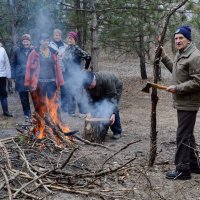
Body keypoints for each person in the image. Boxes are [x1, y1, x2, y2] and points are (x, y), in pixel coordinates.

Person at [160, 25, 200, 180]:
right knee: (187, 134)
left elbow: (198, 81)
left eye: (181, 38)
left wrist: (177, 88)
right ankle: (194, 164)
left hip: (189, 102)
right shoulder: (181, 54)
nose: (178, 40)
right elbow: (177, 72)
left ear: (188, 39)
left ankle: (183, 170)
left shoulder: (195, 56)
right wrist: (164, 57)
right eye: (176, 38)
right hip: (182, 101)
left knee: (182, 136)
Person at [24, 33, 64, 118]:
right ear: (40, 41)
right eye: (44, 40)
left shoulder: (53, 52)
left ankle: (58, 122)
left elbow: (57, 68)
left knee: (53, 102)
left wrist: (61, 81)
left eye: (47, 40)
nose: (46, 42)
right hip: (40, 82)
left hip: (52, 81)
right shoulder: (34, 53)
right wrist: (27, 82)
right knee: (41, 103)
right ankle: (41, 122)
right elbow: (28, 68)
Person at [84, 71, 123, 139]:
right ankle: (101, 130)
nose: (89, 87)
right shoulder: (88, 85)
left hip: (115, 88)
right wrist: (89, 111)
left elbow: (113, 98)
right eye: (88, 86)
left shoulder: (106, 80)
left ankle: (117, 131)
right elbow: (89, 99)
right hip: (100, 90)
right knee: (97, 107)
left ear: (94, 79)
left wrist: (113, 113)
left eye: (90, 85)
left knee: (110, 108)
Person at [62, 31, 91, 116]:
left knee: (79, 92)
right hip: (68, 75)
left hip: (76, 74)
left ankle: (82, 112)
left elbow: (88, 57)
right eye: (68, 38)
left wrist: (85, 68)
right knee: (70, 92)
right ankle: (71, 112)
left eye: (71, 38)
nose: (69, 39)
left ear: (75, 39)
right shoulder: (67, 49)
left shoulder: (77, 48)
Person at [12, 34, 33, 118]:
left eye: (27, 41)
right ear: (22, 42)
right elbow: (13, 63)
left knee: (34, 95)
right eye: (24, 41)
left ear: (30, 42)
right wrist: (13, 75)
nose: (25, 43)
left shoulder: (33, 50)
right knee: (23, 96)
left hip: (31, 76)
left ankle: (37, 112)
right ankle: (27, 113)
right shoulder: (17, 51)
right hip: (20, 76)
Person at [49, 29, 67, 112]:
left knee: (63, 87)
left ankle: (63, 105)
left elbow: (68, 58)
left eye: (59, 35)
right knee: (55, 88)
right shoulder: (49, 45)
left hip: (63, 69)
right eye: (56, 35)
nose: (57, 37)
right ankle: (55, 105)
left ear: (61, 36)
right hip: (53, 70)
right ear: (53, 36)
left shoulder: (65, 46)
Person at [0, 43, 13, 117]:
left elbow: (7, 63)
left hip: (2, 76)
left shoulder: (2, 50)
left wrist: (8, 76)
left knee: (3, 94)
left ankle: (6, 111)